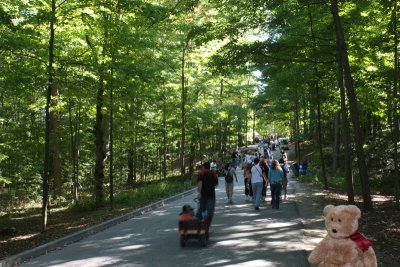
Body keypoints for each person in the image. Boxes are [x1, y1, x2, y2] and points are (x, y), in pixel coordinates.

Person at [197, 162, 218, 232]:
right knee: (210, 212)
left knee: (202, 210)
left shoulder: (201, 173)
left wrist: (199, 193)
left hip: (203, 195)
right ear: (209, 167)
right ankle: (207, 226)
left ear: (203, 167)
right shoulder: (213, 173)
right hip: (211, 195)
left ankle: (201, 225)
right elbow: (216, 184)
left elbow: (200, 183)